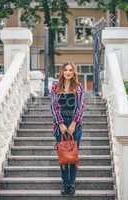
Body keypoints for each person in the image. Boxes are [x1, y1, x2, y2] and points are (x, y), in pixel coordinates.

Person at [49, 62, 86, 195]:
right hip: (60, 125)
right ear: (62, 72)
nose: (68, 72)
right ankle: (66, 185)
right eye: (66, 70)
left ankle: (71, 185)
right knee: (64, 156)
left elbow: (81, 107)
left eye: (70, 70)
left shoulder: (79, 87)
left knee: (73, 156)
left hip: (75, 125)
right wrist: (61, 123)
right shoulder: (55, 88)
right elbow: (54, 107)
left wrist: (73, 124)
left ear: (74, 72)